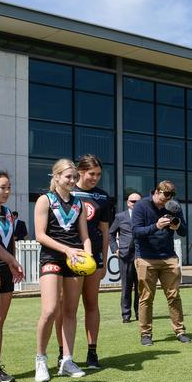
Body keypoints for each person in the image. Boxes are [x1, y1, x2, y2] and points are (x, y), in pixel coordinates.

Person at [34, 159, 93, 382]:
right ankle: (41, 359)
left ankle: (66, 360)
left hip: (74, 259)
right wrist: (67, 250)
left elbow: (85, 236)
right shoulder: (44, 200)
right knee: (50, 310)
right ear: (56, 177)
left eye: (74, 177)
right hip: (52, 256)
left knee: (70, 311)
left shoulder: (79, 203)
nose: (72, 180)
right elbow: (40, 235)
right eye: (68, 176)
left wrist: (86, 256)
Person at [56, 155, 110, 370]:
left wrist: (103, 260)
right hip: (69, 256)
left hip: (93, 256)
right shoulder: (68, 192)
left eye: (98, 174)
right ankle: (64, 355)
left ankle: (92, 353)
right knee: (66, 306)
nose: (94, 178)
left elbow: (105, 232)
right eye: (91, 174)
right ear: (79, 171)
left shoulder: (103, 197)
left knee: (91, 303)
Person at [132, 180, 190, 346]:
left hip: (168, 257)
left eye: (169, 198)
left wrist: (177, 225)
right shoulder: (141, 206)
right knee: (146, 298)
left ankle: (180, 331)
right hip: (145, 257)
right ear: (156, 191)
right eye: (164, 197)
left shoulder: (174, 207)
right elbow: (136, 232)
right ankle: (145, 334)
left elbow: (184, 231)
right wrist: (156, 226)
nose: (166, 202)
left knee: (174, 296)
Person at [0, 172, 24, 382]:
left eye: (9, 187)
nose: (7, 191)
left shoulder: (9, 214)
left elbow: (9, 242)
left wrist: (13, 262)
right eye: (2, 187)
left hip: (4, 270)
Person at [109, 192, 141, 324]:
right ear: (128, 203)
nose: (135, 203)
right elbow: (111, 234)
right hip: (125, 255)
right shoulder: (120, 216)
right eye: (133, 201)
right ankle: (126, 315)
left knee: (141, 287)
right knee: (126, 286)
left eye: (138, 201)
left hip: (141, 255)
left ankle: (140, 314)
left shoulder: (145, 216)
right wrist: (115, 249)